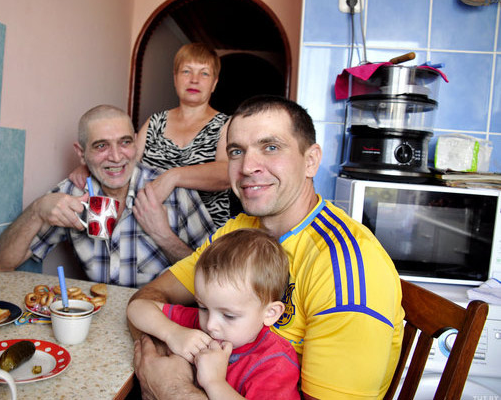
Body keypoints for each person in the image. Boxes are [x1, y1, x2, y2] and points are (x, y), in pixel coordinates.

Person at [129, 95, 404, 399]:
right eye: (236, 151)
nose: (247, 167)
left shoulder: (348, 267)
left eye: (271, 147)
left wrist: (174, 388)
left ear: (310, 160)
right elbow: (150, 297)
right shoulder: (238, 231)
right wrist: (168, 356)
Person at [0, 105, 215, 287]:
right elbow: (2, 264)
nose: (116, 157)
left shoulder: (174, 192)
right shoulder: (73, 194)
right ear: (81, 153)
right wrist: (37, 210)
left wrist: (164, 236)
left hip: (164, 317)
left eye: (125, 142)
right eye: (101, 146)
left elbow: (216, 275)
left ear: (136, 144)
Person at [70, 43, 231, 227]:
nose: (194, 80)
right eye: (186, 71)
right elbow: (124, 162)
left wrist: (173, 177)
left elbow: (227, 173)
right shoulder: (154, 122)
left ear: (214, 83)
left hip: (205, 231)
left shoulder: (226, 125)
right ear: (175, 78)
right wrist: (88, 166)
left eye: (204, 73)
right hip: (146, 227)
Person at [127, 228, 300, 399]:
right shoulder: (196, 323)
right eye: (202, 307)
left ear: (270, 313)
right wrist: (172, 333)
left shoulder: (275, 362)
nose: (210, 325)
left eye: (229, 316)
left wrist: (214, 382)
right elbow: (137, 307)